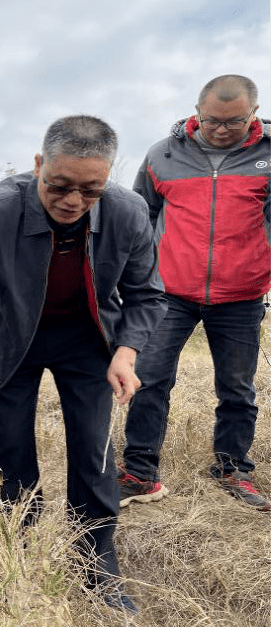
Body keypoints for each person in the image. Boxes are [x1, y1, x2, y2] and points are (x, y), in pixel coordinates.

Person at [0, 115, 167, 613]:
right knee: (12, 447)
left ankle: (97, 564)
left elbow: (147, 296)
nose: (73, 202)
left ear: (108, 178)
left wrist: (126, 353)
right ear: (39, 164)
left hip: (88, 340)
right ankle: (16, 555)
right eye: (59, 186)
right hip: (12, 337)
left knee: (92, 450)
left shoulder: (129, 214)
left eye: (91, 191)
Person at [119, 75, 271, 511]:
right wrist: (140, 274)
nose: (221, 130)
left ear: (253, 115)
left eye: (233, 122)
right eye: (211, 121)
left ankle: (232, 469)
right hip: (169, 293)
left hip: (241, 295)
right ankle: (139, 472)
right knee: (149, 380)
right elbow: (139, 215)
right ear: (196, 112)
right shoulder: (162, 155)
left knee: (237, 388)